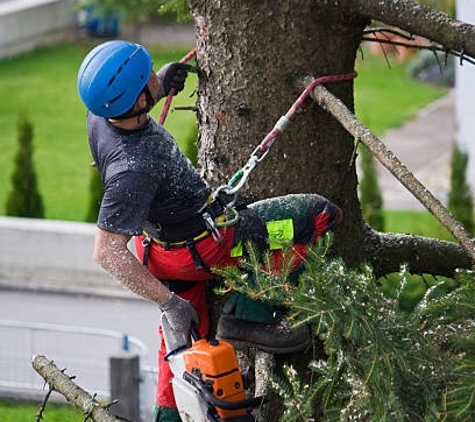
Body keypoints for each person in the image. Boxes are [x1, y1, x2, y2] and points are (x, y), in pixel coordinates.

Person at [77, 40, 343, 422]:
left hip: (161, 251)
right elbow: (106, 252)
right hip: (205, 249)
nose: (155, 75)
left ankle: (168, 418)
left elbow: (129, 101)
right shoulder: (132, 169)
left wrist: (161, 84)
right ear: (135, 102)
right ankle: (251, 316)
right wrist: (167, 302)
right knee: (314, 215)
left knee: (182, 351)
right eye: (148, 78)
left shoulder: (100, 115)